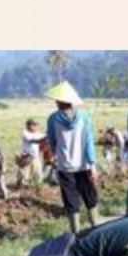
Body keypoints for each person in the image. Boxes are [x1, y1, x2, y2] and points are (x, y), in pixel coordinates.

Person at [45, 81, 99, 233]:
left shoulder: (53, 119)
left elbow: (51, 142)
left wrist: (54, 156)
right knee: (90, 198)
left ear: (60, 101)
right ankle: (96, 229)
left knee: (71, 201)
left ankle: (76, 234)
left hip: (65, 167)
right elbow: (89, 142)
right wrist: (92, 165)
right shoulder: (84, 117)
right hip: (84, 166)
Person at [17, 119, 46, 187]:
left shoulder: (37, 133)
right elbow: (34, 141)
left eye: (36, 125)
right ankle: (20, 189)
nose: (36, 127)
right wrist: (46, 138)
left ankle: (37, 188)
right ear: (28, 126)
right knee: (24, 175)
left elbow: (43, 139)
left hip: (35, 157)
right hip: (26, 157)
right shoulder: (25, 133)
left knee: (38, 174)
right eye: (34, 125)